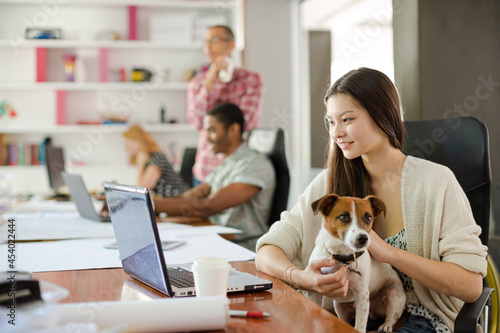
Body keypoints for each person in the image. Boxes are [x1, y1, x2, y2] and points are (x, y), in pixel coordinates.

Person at [255, 68, 487, 332]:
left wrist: (389, 254)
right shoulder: (330, 183)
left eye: (347, 119)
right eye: (331, 122)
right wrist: (302, 278)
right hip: (344, 317)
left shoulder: (436, 182)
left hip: (420, 318)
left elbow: (470, 286)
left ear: (382, 115)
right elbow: (267, 251)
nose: (336, 132)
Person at [154, 103, 275, 250]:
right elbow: (192, 196)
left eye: (211, 130)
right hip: (217, 236)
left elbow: (210, 206)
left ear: (233, 129)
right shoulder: (227, 164)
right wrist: (155, 203)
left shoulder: (253, 164)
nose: (207, 139)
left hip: (242, 245)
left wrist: (154, 205)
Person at [187, 25, 263, 185]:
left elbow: (243, 124)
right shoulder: (198, 83)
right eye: (205, 42)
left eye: (214, 40)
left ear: (231, 45)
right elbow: (196, 122)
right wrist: (209, 83)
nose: (208, 46)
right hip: (205, 172)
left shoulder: (251, 80)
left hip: (238, 171)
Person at [122, 125, 190, 197]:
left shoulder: (156, 159)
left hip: (177, 199)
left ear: (138, 141)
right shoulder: (149, 159)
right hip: (168, 200)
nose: (126, 147)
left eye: (128, 142)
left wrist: (140, 165)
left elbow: (141, 190)